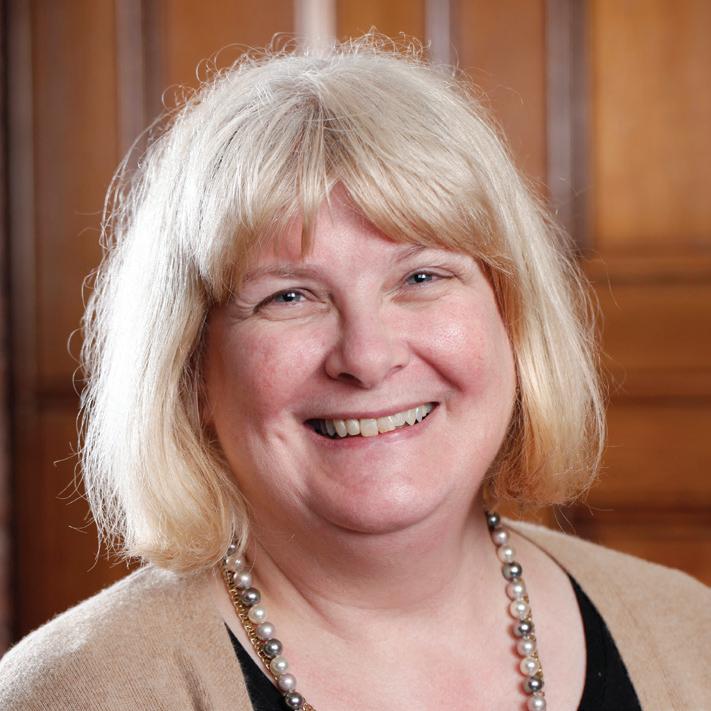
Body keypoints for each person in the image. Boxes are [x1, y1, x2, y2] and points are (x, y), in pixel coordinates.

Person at [0, 35, 708, 711]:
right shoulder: (76, 691)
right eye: (288, 297)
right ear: (193, 372)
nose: (367, 358)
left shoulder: (689, 633)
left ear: (511, 319)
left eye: (421, 277)